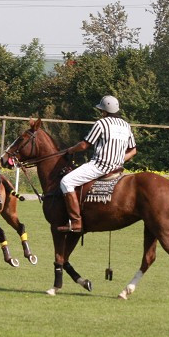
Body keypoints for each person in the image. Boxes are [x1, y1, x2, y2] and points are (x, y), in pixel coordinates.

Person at [57, 95, 137, 233]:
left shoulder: (101, 123)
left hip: (100, 166)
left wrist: (70, 150)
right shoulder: (126, 125)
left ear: (104, 111)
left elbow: (84, 145)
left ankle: (76, 221)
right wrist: (118, 159)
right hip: (117, 168)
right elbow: (133, 151)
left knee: (66, 181)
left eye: (102, 111)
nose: (101, 113)